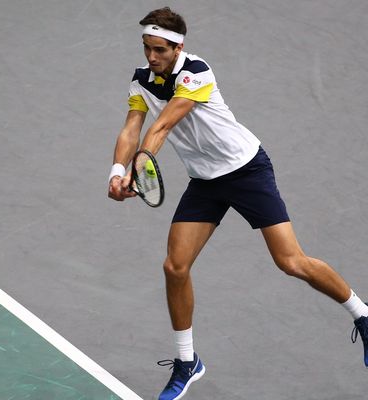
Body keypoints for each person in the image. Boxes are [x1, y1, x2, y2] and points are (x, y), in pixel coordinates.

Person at [107, 6, 368, 400]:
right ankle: (186, 362)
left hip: (246, 171)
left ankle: (363, 315)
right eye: (147, 48)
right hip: (205, 182)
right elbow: (133, 125)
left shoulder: (197, 71)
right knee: (174, 267)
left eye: (159, 50)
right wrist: (115, 170)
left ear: (178, 48)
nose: (151, 57)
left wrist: (140, 165)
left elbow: (162, 126)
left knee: (291, 261)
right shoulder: (141, 80)